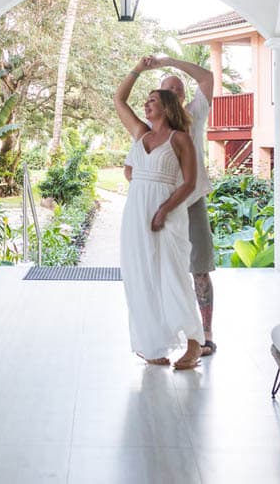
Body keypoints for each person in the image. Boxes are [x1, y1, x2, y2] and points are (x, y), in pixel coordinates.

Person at [114, 57, 205, 370]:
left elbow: (190, 183)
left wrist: (163, 209)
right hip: (135, 214)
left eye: (152, 101)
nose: (146, 104)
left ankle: (194, 343)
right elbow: (119, 99)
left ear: (167, 107)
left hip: (167, 215)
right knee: (140, 276)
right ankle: (151, 344)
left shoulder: (180, 139)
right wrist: (138, 69)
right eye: (147, 100)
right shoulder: (140, 134)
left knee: (173, 276)